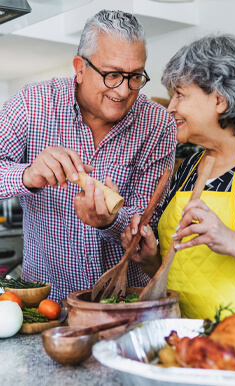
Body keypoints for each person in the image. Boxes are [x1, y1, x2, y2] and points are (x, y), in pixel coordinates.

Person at [0, 10, 176, 302]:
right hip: (46, 305)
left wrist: (111, 223)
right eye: (112, 75)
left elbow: (145, 224)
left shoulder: (157, 124)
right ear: (80, 68)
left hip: (125, 302)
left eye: (134, 76)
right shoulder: (31, 105)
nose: (123, 90)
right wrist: (27, 175)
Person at [122, 34, 235, 320]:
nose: (170, 108)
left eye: (180, 95)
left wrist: (233, 241)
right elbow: (182, 266)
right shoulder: (190, 166)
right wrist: (150, 259)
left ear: (219, 98)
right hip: (186, 343)